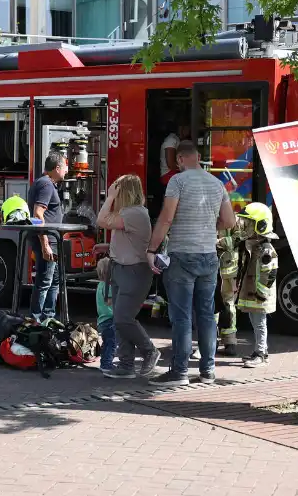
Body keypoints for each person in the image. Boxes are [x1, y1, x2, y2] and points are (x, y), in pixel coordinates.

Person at [146, 140, 236, 386]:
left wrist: (152, 249)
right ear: (198, 157)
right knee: (206, 315)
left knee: (182, 316)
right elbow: (229, 221)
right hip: (209, 256)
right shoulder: (217, 184)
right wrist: (208, 227)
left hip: (182, 255)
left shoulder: (178, 181)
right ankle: (208, 371)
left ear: (180, 160)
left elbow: (166, 219)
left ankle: (180, 372)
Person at [97, 174, 161, 379]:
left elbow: (101, 221)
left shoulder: (134, 213)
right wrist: (108, 247)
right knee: (119, 319)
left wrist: (109, 198)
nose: (113, 192)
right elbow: (131, 242)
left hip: (134, 271)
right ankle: (126, 364)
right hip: (123, 268)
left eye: (116, 189)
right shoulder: (130, 213)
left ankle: (149, 350)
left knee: (123, 317)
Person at [233, 203, 279, 368]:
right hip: (254, 295)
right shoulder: (254, 246)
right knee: (255, 322)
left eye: (249, 224)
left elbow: (269, 274)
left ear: (260, 225)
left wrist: (261, 293)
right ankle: (261, 351)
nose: (245, 227)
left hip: (259, 297)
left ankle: (260, 353)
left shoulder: (266, 250)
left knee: (260, 324)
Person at [27, 151, 68, 322]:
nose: (67, 170)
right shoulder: (46, 185)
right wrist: (45, 244)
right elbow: (38, 215)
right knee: (45, 282)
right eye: (65, 167)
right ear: (57, 168)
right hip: (47, 241)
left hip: (52, 240)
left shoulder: (46, 183)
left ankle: (48, 319)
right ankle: (35, 321)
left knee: (54, 281)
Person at [216, 226, 242, 357]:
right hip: (220, 269)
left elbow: (238, 238)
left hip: (227, 271)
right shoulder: (230, 217)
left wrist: (218, 242)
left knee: (226, 305)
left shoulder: (234, 219)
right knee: (218, 305)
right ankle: (217, 341)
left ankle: (229, 343)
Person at [94, 257, 117, 373]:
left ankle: (104, 362)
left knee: (107, 343)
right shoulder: (109, 286)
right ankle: (107, 365)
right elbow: (109, 301)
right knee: (112, 343)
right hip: (110, 319)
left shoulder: (100, 285)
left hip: (102, 320)